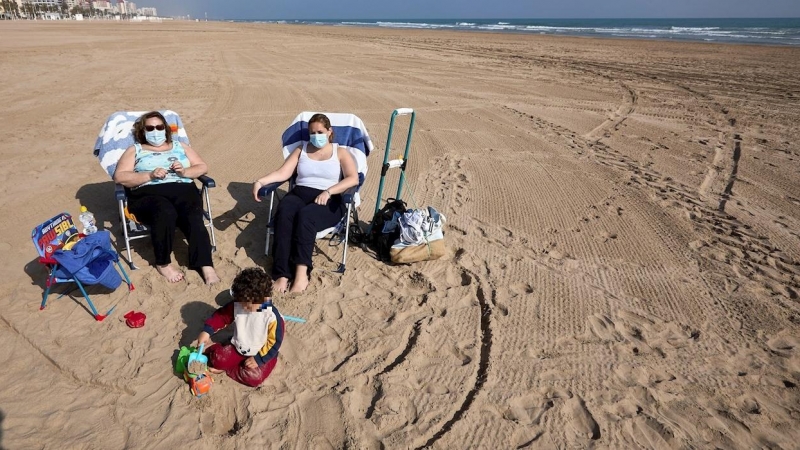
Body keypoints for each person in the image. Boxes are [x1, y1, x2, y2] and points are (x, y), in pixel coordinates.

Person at [252, 113, 358, 293]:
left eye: (320, 132)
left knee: (306, 216)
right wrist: (260, 181)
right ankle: (282, 274)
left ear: (329, 131)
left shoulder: (340, 152)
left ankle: (301, 275)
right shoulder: (301, 149)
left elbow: (353, 179)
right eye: (312, 133)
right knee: (285, 211)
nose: (316, 136)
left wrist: (329, 191)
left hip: (329, 199)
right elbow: (283, 173)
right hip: (300, 193)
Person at [113, 111, 220, 284]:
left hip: (182, 189)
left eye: (159, 127)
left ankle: (205, 265)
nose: (155, 131)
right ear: (143, 131)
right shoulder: (135, 150)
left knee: (193, 214)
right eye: (150, 127)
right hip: (148, 194)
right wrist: (150, 175)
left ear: (166, 129)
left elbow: (202, 167)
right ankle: (163, 263)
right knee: (164, 211)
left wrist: (184, 171)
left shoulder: (180, 146)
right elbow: (120, 177)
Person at [193, 267, 284, 387]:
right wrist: (207, 331)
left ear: (261, 300)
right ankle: (224, 362)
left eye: (245, 304)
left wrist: (259, 359)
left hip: (261, 352)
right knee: (217, 359)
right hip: (238, 347)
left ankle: (230, 369)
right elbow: (222, 316)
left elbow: (274, 343)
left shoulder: (272, 317)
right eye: (240, 302)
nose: (241, 306)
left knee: (254, 378)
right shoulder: (240, 303)